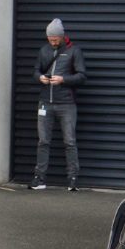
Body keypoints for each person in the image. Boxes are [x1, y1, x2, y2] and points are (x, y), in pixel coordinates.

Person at [29, 18, 87, 191]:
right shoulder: (44, 51)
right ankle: (39, 179)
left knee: (69, 141)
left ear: (62, 36)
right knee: (43, 141)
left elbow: (82, 76)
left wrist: (63, 79)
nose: (53, 41)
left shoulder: (73, 51)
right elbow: (35, 71)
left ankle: (73, 179)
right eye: (50, 38)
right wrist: (39, 78)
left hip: (66, 104)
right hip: (45, 102)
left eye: (55, 38)